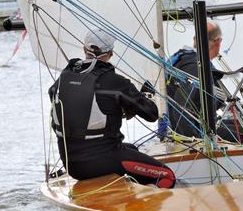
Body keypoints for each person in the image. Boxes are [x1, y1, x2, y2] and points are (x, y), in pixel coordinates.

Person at [49, 28, 176, 188]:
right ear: (111, 53)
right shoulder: (116, 82)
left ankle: (124, 199)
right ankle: (142, 210)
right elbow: (151, 114)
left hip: (72, 165)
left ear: (84, 49)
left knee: (132, 149)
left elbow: (68, 111)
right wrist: (140, 100)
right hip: (103, 161)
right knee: (167, 176)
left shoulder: (63, 79)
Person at [166, 21, 243, 141]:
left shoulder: (184, 59)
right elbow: (182, 107)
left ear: (195, 39)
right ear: (218, 41)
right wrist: (196, 140)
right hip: (192, 135)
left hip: (195, 127)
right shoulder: (196, 66)